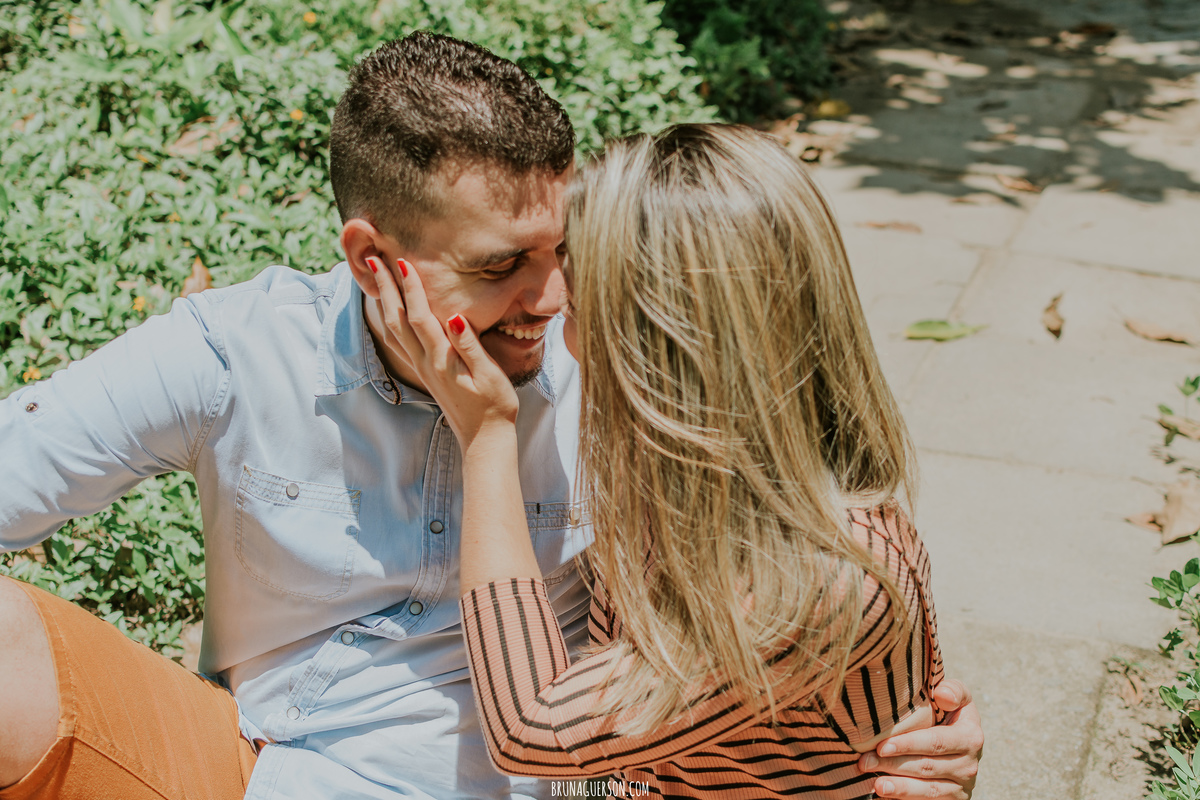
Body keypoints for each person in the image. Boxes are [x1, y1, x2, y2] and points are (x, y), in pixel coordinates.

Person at [0, 33, 980, 800]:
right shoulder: (238, 354)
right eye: (502, 265)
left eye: (564, 253)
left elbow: (799, 556)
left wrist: (910, 728)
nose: (554, 300)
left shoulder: (626, 382)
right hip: (274, 761)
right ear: (371, 257)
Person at [370, 122, 979, 799]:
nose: (550, 312)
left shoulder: (824, 580)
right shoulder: (694, 472)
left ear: (658, 348)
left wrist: (485, 437)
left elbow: (535, 730)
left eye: (576, 296)